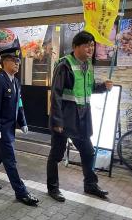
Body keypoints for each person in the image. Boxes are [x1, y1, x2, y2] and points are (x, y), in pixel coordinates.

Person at [47, 31, 113, 202]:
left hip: (82, 116)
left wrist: (103, 87)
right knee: (57, 155)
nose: (90, 48)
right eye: (87, 45)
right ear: (75, 47)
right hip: (65, 117)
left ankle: (90, 184)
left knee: (88, 152)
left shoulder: (89, 65)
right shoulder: (64, 65)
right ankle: (53, 188)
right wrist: (57, 121)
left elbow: (89, 89)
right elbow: (56, 95)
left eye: (92, 45)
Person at [0, 46, 39, 206]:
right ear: (5, 62)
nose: (17, 64)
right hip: (1, 129)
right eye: (14, 61)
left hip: (9, 128)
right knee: (10, 161)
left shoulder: (15, 81)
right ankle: (21, 193)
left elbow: (18, 104)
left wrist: (23, 122)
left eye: (18, 61)